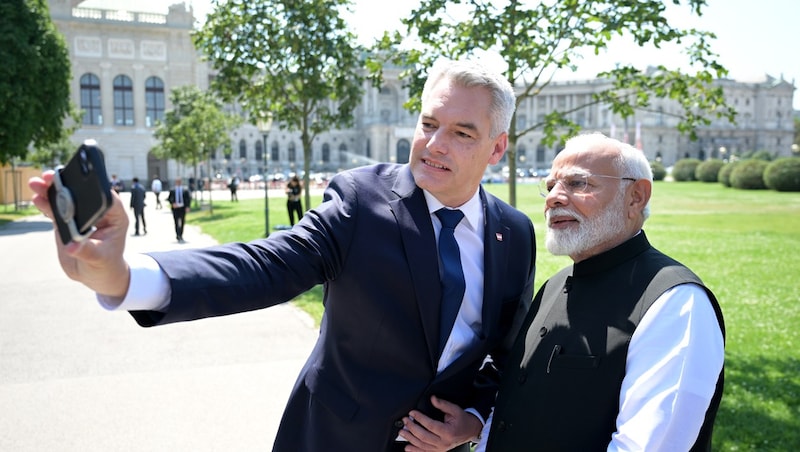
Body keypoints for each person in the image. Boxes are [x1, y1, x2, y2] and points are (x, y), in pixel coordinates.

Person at [28, 58, 536, 452]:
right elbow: (267, 264)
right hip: (333, 438)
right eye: (428, 123)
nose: (433, 144)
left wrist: (473, 419)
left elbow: (504, 353)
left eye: (462, 132)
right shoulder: (362, 201)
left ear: (496, 149)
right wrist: (123, 276)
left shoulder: (514, 233)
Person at [476, 132, 725, 452]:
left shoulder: (675, 303)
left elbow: (649, 445)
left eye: (579, 184)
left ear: (636, 196)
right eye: (551, 186)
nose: (554, 198)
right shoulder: (553, 287)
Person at [167, 177, 191, 243]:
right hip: (175, 208)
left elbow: (188, 199)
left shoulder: (185, 190)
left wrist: (188, 207)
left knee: (182, 222)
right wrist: (172, 203)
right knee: (176, 222)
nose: (179, 183)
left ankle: (181, 234)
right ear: (176, 182)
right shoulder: (172, 190)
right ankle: (178, 235)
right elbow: (169, 198)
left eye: (180, 181)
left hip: (182, 208)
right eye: (177, 181)